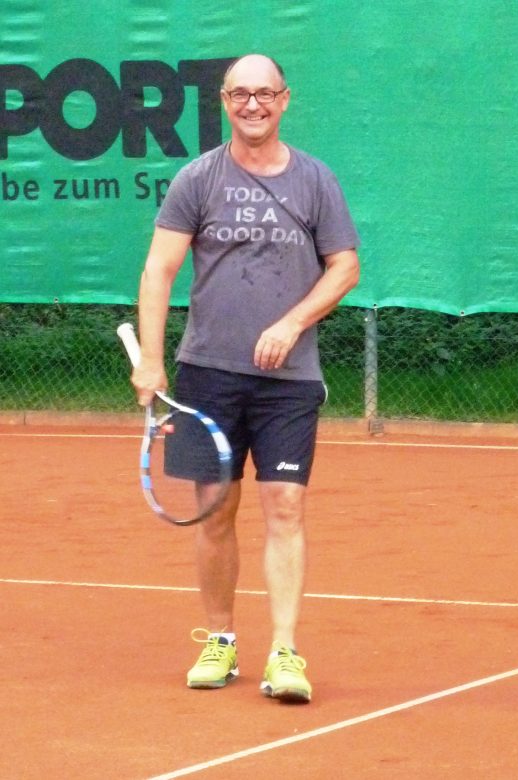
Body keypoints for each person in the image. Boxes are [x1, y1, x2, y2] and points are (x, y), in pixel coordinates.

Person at [129, 53, 360, 703]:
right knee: (215, 511)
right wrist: (151, 359)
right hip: (207, 375)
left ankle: (284, 652)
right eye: (239, 94)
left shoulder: (315, 180)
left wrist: (291, 323)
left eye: (264, 93)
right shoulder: (197, 179)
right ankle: (221, 640)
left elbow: (344, 268)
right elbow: (158, 270)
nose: (252, 104)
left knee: (284, 504)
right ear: (224, 101)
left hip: (290, 381)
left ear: (284, 100)